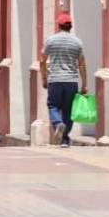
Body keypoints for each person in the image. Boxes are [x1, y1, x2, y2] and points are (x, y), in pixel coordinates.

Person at [39, 12, 87, 148]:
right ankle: (65, 140)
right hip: (71, 81)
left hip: (55, 80)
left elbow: (42, 60)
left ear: (59, 26)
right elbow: (82, 64)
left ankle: (57, 123)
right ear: (70, 27)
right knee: (68, 110)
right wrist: (84, 84)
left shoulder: (51, 40)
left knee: (53, 105)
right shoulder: (77, 42)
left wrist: (44, 78)